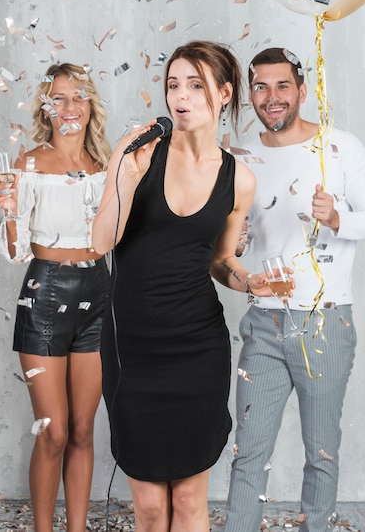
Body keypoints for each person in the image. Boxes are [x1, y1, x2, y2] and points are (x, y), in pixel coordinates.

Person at [92, 41, 269, 532]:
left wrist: (252, 281)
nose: (181, 97)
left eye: (195, 85)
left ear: (225, 93)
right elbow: (101, 240)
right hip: (132, 347)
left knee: (190, 502)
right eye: (173, 85)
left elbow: (220, 261)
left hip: (197, 348)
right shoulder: (136, 153)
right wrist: (125, 178)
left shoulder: (240, 179)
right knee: (148, 506)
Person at [223, 47, 365, 532]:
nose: (271, 98)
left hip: (326, 321)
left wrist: (336, 217)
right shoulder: (240, 156)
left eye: (282, 87)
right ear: (249, 93)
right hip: (264, 319)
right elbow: (242, 235)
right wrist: (239, 238)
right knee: (249, 450)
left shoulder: (341, 147)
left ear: (301, 90)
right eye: (261, 87)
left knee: (321, 450)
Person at [0, 63, 112, 532]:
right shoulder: (28, 163)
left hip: (99, 294)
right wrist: (8, 214)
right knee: (55, 431)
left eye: (78, 97)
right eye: (58, 98)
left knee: (83, 430)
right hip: (44, 294)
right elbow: (13, 253)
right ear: (46, 106)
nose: (69, 107)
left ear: (90, 105)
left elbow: (118, 235)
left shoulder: (106, 167)